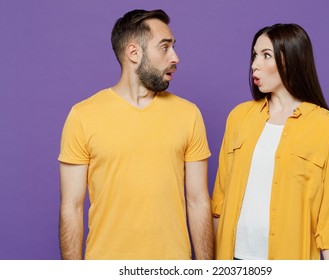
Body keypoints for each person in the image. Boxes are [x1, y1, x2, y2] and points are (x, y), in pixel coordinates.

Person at [58, 9, 213, 260]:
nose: (175, 57)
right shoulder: (82, 116)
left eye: (173, 47)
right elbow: (71, 208)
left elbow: (198, 201)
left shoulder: (189, 114)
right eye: (164, 47)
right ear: (134, 53)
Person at [211, 23, 329, 260]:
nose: (254, 64)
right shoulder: (239, 117)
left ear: (291, 60)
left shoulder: (325, 126)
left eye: (266, 55)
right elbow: (218, 205)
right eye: (254, 55)